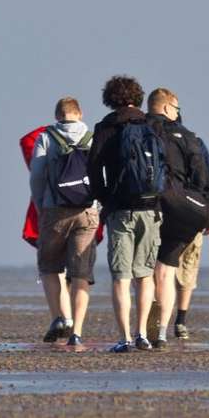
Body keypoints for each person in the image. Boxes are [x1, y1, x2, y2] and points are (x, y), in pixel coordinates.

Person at [88, 75, 163, 353]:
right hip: (151, 208)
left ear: (110, 99)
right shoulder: (152, 125)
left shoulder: (106, 127)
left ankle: (124, 338)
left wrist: (105, 199)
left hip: (120, 209)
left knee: (121, 276)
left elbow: (94, 169)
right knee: (145, 275)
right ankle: (142, 333)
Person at [146, 88, 209, 349]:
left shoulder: (136, 131)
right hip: (179, 209)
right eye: (176, 108)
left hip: (143, 206)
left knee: (144, 272)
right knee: (166, 270)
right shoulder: (186, 136)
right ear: (166, 108)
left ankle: (142, 329)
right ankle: (162, 331)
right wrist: (206, 210)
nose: (178, 113)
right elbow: (204, 175)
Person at [28, 96, 99, 351]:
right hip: (87, 211)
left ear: (57, 115)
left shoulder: (46, 138)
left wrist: (41, 205)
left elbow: (37, 176)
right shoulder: (92, 138)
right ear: (79, 113)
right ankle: (77, 332)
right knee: (81, 273)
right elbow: (101, 175)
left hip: (54, 209)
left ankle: (59, 317)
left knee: (49, 266)